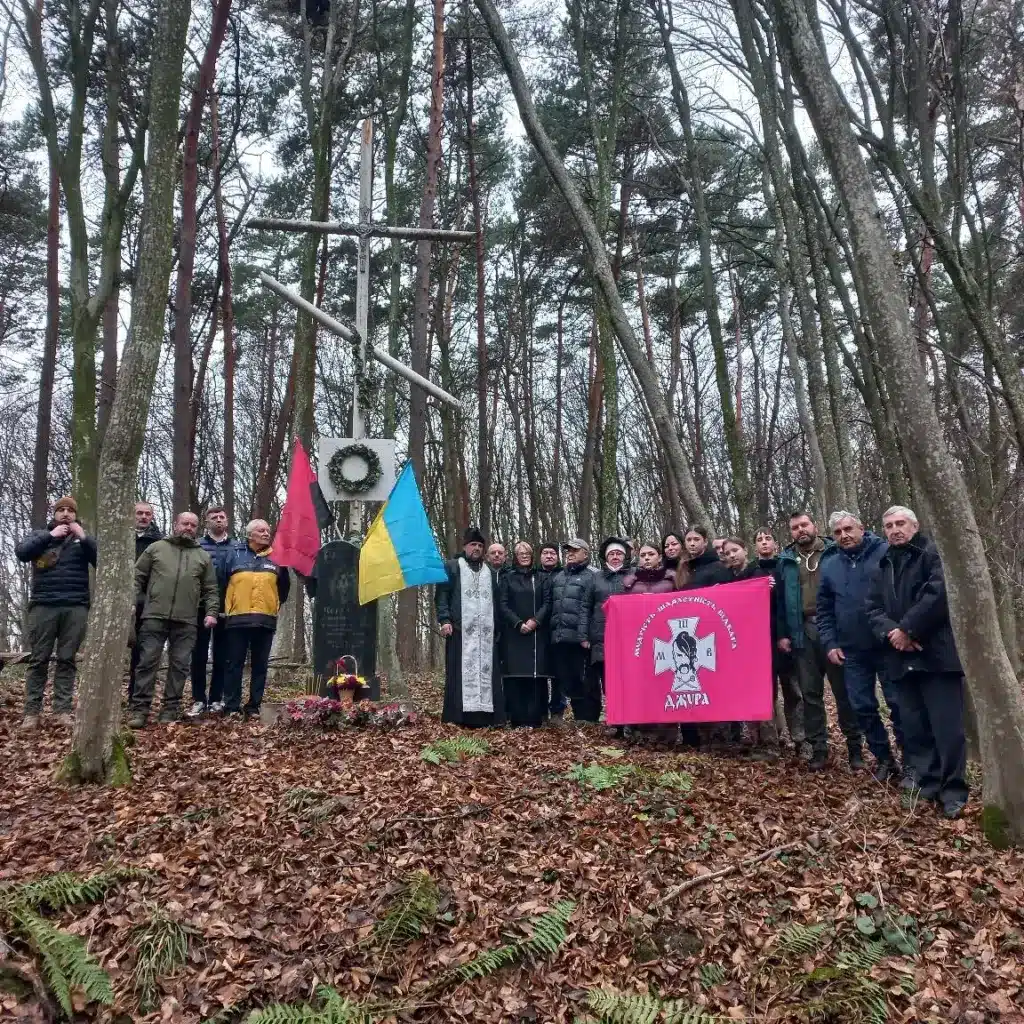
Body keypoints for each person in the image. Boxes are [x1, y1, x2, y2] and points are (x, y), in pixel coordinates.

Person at [866, 506, 968, 818]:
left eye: (901, 524)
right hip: (900, 659)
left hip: (936, 656)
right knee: (914, 726)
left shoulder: (931, 554)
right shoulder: (882, 564)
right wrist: (893, 634)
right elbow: (871, 608)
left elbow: (937, 595)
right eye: (889, 525)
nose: (895, 529)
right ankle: (928, 783)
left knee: (947, 728)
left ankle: (953, 792)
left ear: (915, 525)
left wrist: (908, 629)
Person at [817, 511, 904, 782]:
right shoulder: (830, 565)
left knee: (899, 705)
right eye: (838, 532)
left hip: (888, 645)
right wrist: (830, 642)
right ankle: (884, 760)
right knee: (862, 706)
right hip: (852, 651)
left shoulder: (885, 553)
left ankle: (912, 760)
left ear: (861, 528)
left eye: (848, 529)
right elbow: (824, 608)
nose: (844, 535)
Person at [777, 511, 865, 771]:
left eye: (804, 525)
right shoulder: (786, 560)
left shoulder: (834, 551)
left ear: (813, 525)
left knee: (843, 693)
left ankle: (855, 749)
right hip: (802, 632)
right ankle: (819, 749)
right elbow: (781, 602)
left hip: (834, 632)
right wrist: (784, 634)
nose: (800, 530)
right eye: (795, 527)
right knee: (810, 694)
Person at [128, 512, 219, 728]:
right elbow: (137, 576)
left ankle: (169, 710)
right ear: (175, 525)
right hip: (154, 615)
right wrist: (131, 602)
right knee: (147, 663)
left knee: (179, 666)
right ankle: (139, 711)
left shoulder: (202, 556)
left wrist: (211, 612)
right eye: (185, 523)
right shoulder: (156, 548)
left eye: (193, 525)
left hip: (187, 620)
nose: (188, 528)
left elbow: (211, 589)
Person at [15, 496, 96, 729]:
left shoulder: (83, 540)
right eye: (61, 510)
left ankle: (62, 711)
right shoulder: (40, 536)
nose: (65, 513)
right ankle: (31, 713)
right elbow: (22, 553)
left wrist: (83, 536)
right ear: (54, 514)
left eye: (70, 510)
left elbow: (102, 559)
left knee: (67, 660)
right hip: (44, 605)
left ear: (75, 514)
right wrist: (50, 536)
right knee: (38, 659)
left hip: (75, 606)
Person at [436, 526, 504, 726]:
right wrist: (445, 620)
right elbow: (442, 596)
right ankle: (458, 717)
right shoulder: (452, 566)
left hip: (486, 636)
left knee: (486, 674)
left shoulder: (490, 573)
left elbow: (497, 603)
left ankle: (487, 717)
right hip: (460, 631)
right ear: (465, 546)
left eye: (480, 545)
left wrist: (497, 629)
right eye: (473, 544)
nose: (476, 548)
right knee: (459, 674)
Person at [222, 519, 291, 718]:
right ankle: (232, 707)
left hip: (265, 620)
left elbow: (283, 589)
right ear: (250, 534)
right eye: (261, 530)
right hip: (237, 619)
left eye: (268, 531)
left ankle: (254, 706)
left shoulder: (277, 558)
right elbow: (222, 582)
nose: (266, 533)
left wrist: (273, 604)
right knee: (234, 664)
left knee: (260, 665)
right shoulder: (233, 554)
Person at [721, 537, 781, 760]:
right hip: (740, 643)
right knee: (747, 690)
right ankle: (754, 740)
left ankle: (770, 743)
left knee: (764, 690)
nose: (731, 555)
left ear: (745, 550)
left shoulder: (758, 574)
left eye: (735, 550)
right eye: (727, 553)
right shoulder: (730, 577)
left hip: (762, 640)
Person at [753, 527, 804, 753]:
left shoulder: (786, 567)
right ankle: (770, 741)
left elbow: (789, 603)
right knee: (766, 693)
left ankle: (801, 739)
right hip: (759, 640)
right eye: (759, 540)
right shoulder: (750, 571)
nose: (764, 542)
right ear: (754, 546)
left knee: (793, 690)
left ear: (775, 543)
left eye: (768, 539)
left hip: (786, 637)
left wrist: (785, 634)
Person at [188, 506, 236, 717]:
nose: (218, 520)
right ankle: (199, 699)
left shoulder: (237, 547)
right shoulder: (196, 546)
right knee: (198, 655)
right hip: (199, 607)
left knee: (222, 656)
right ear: (206, 522)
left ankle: (217, 698)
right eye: (213, 517)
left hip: (228, 608)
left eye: (222, 517)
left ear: (227, 521)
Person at [498, 541, 551, 727]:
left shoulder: (542, 577)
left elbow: (548, 602)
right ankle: (516, 719)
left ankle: (536, 718)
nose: (524, 555)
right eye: (521, 553)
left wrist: (535, 621)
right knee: (515, 677)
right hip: (514, 634)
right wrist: (518, 623)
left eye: (527, 552)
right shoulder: (507, 578)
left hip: (537, 634)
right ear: (515, 556)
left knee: (535, 678)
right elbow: (503, 604)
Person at [548, 538, 597, 724]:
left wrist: (587, 635)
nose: (570, 553)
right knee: (564, 678)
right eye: (568, 550)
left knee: (583, 679)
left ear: (585, 553)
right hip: (560, 637)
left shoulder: (592, 576)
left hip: (580, 638)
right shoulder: (559, 576)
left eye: (575, 550)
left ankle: (586, 717)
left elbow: (592, 608)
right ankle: (569, 715)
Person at [585, 537, 632, 722]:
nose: (615, 557)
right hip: (601, 636)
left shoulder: (632, 575)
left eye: (618, 554)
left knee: (626, 681)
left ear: (624, 556)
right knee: (607, 680)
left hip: (626, 636)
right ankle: (613, 719)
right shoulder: (595, 578)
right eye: (611, 554)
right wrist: (584, 634)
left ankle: (628, 719)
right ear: (605, 557)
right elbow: (585, 607)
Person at [128, 502, 163, 697]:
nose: (143, 517)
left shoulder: (159, 542)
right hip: (120, 599)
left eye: (147, 514)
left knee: (141, 653)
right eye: (139, 513)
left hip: (147, 602)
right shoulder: (119, 537)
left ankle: (136, 696)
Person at [537, 542, 564, 718]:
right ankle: (539, 709)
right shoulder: (534, 575)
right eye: (545, 553)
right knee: (539, 670)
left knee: (559, 672)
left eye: (552, 553)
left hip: (559, 629)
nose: (549, 556)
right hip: (537, 629)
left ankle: (557, 710)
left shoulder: (564, 574)